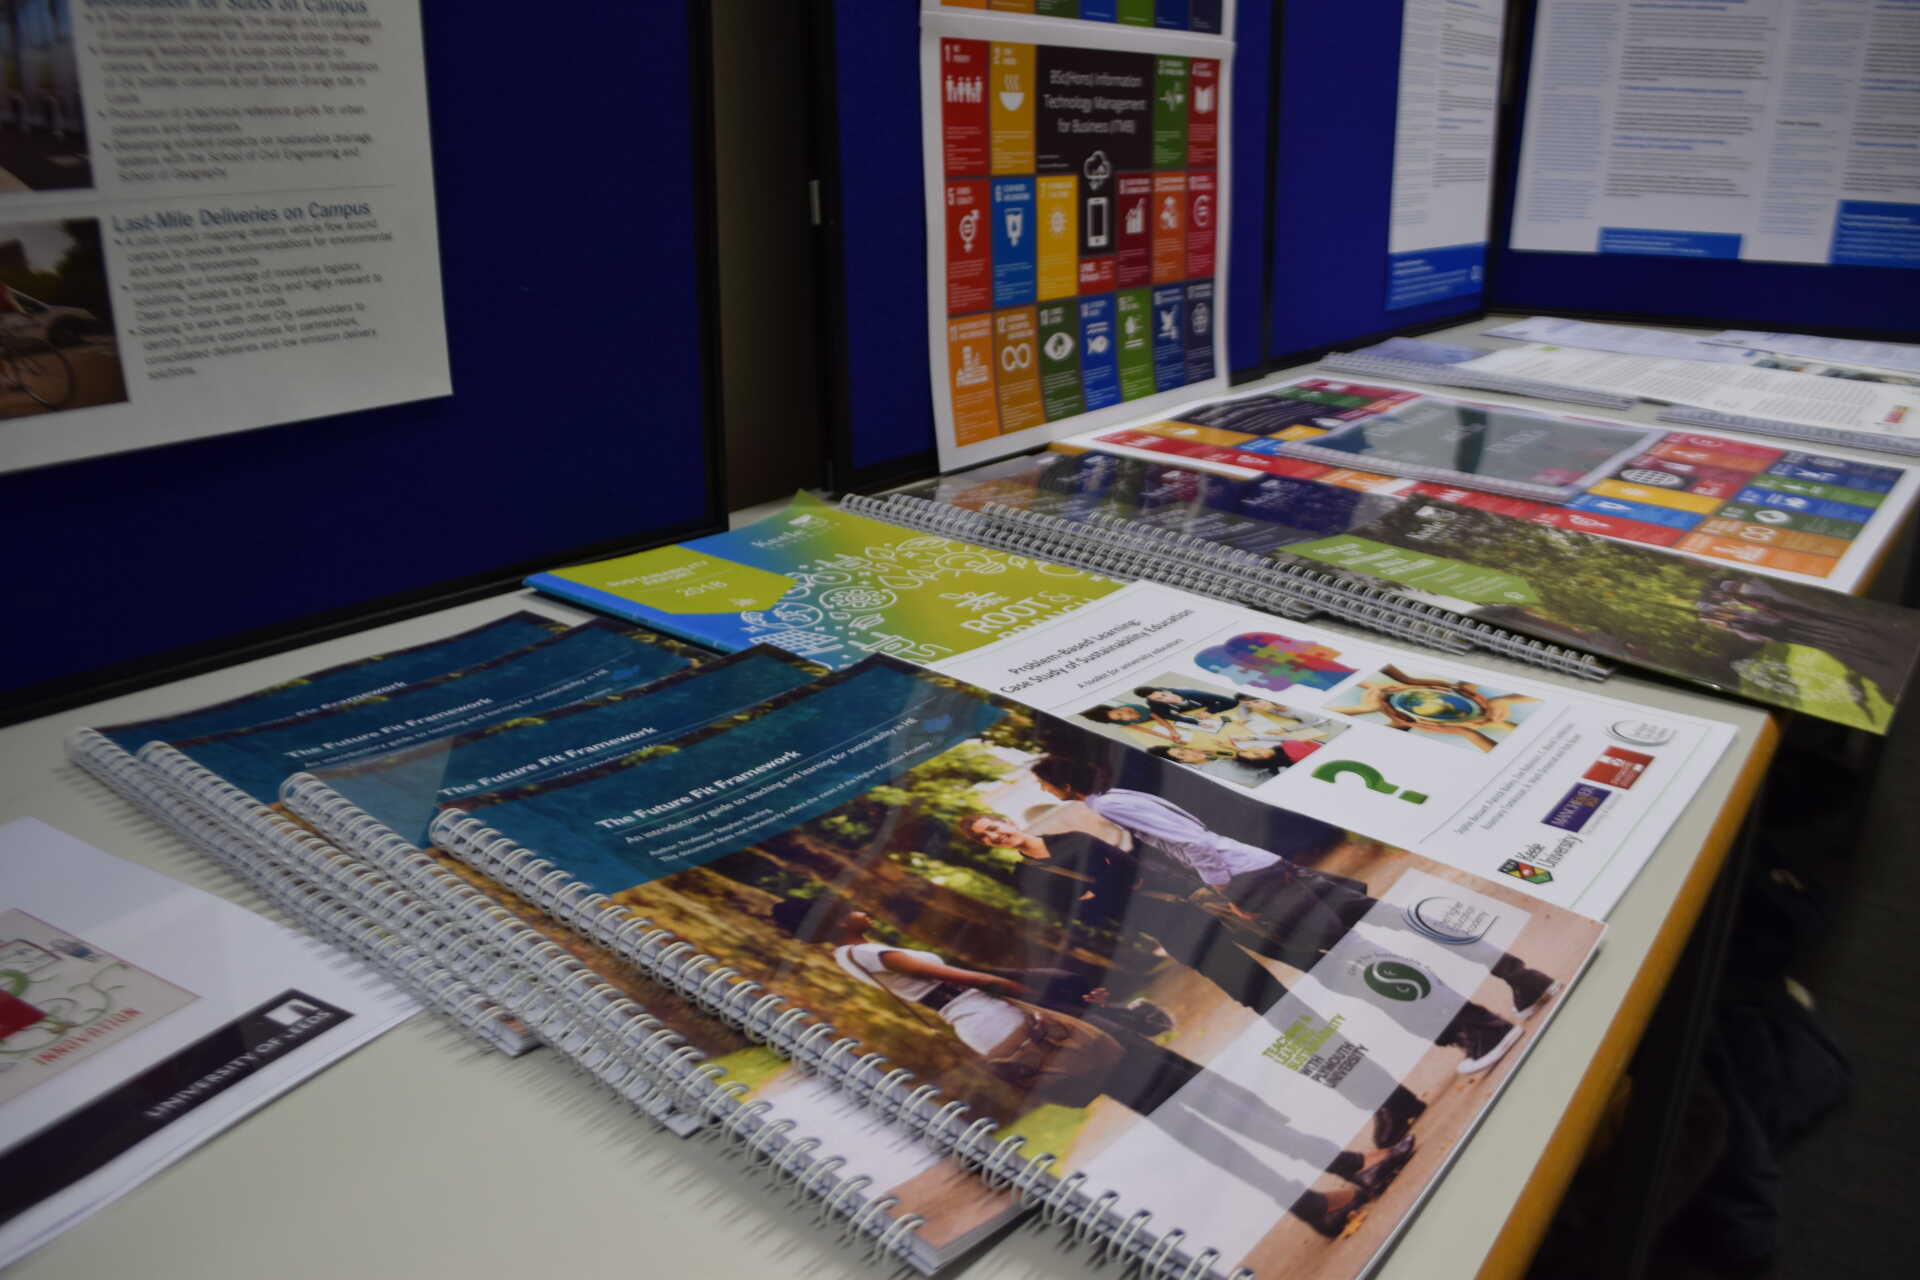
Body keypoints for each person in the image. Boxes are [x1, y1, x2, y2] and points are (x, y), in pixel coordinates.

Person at [769, 897, 1416, 1237]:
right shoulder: (873, 951)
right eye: (840, 901)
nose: (852, 902)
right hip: (1040, 1035)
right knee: (1203, 1095)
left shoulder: (843, 960)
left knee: (1188, 1113)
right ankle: (1333, 1185)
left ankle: (1332, 1183)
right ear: (831, 917)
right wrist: (1054, 983)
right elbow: (975, 979)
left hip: (1013, 1044)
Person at [1030, 755, 1563, 1074]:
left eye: (1044, 785)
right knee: (1386, 921)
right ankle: (1519, 974)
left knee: (1357, 961)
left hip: (1250, 879)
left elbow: (1190, 840)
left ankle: (1483, 1028)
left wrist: (1223, 888)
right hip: (1260, 865)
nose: (1045, 792)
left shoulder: (1106, 807)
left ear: (1062, 783)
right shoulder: (1120, 794)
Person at [959, 811, 1431, 1147]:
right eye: (985, 837)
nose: (996, 835)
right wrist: (1105, 892)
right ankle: (1388, 1098)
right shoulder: (1028, 880)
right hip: (1179, 933)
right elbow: (1101, 913)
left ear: (1007, 820)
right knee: (1277, 1009)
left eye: (993, 825)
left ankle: (1440, 1013)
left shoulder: (1073, 842)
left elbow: (1131, 874)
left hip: (1217, 909)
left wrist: (1100, 891)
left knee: (1329, 966)